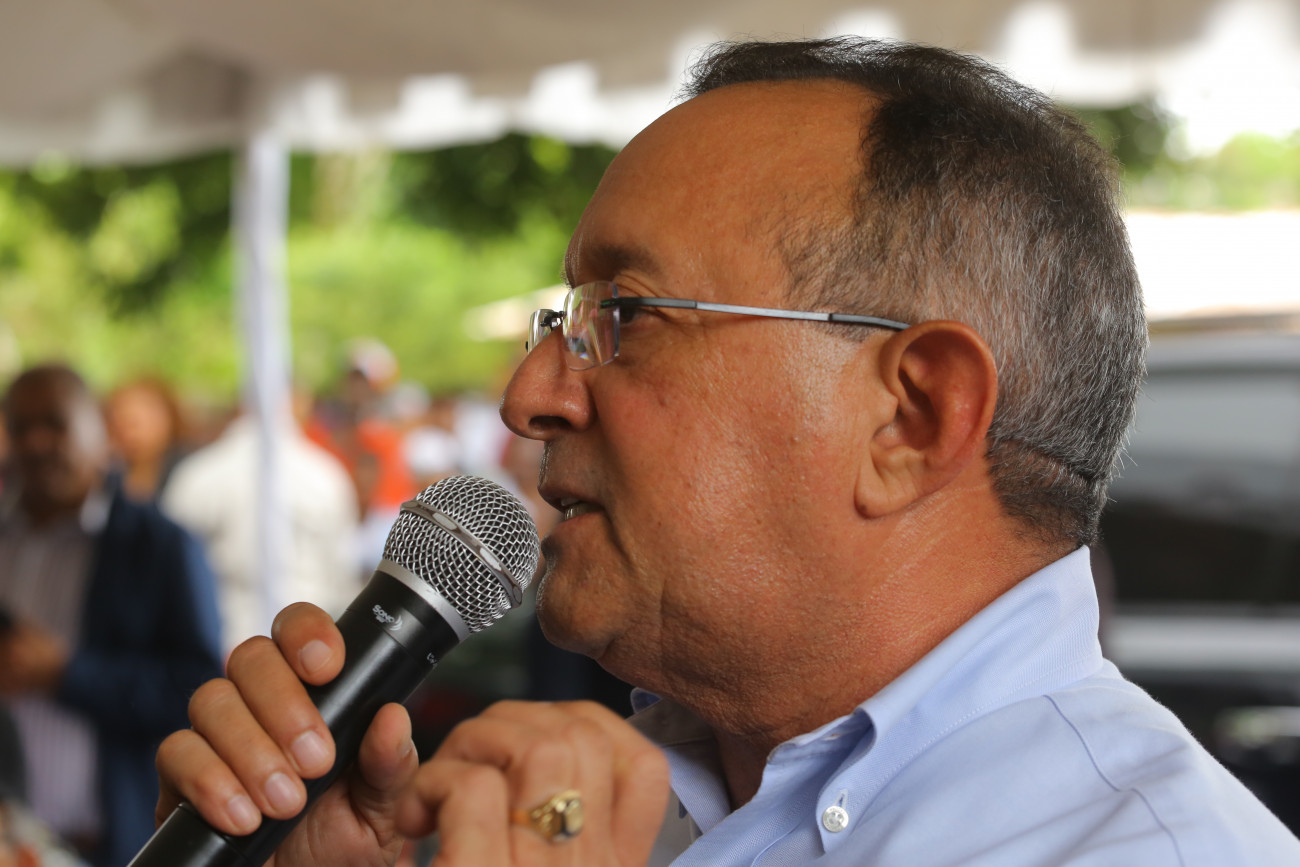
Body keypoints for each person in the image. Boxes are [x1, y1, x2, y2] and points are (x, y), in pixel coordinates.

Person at [154, 38, 1300, 866]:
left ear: (911, 418)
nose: (529, 396)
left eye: (625, 315)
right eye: (562, 320)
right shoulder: (591, 803)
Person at [0, 364, 223, 867]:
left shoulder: (159, 546)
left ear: (99, 431)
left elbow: (197, 689)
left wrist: (69, 673)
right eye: (20, 426)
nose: (36, 443)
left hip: (111, 843)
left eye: (54, 423)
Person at [161, 389, 361, 656]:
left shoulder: (198, 472)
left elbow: (171, 571)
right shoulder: (324, 474)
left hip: (219, 638)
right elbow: (341, 571)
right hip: (305, 646)